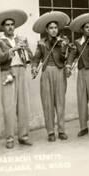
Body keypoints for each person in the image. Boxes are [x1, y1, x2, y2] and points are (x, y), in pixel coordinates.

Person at [0, 9, 34, 149]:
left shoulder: (21, 39)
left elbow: (30, 57)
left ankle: (23, 136)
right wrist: (12, 50)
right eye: (7, 25)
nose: (10, 27)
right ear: (2, 27)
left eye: (12, 24)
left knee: (23, 106)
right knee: (9, 107)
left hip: (21, 70)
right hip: (7, 72)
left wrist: (25, 49)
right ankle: (9, 138)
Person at [31, 11, 71, 142]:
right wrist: (33, 67)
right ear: (47, 30)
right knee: (47, 103)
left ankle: (61, 130)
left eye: (55, 28)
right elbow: (36, 58)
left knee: (60, 102)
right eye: (51, 28)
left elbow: (65, 58)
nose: (54, 30)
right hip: (46, 71)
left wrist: (63, 47)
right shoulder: (42, 43)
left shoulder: (64, 41)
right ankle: (50, 132)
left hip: (59, 71)